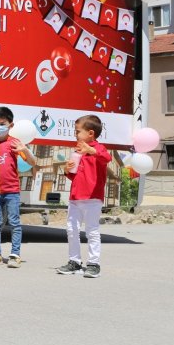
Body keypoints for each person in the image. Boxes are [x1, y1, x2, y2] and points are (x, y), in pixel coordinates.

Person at [57, 115, 111, 278]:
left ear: (90, 133)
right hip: (75, 198)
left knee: (91, 231)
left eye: (78, 131)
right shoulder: (77, 151)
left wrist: (91, 151)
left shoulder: (99, 148)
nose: (75, 134)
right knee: (72, 230)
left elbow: (106, 158)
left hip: (92, 198)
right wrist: (67, 170)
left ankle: (94, 264)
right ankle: (75, 261)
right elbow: (75, 176)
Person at [0, 107, 36, 268]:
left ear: (10, 125)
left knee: (14, 222)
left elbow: (33, 162)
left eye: (2, 124)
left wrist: (24, 149)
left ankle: (15, 255)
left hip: (11, 191)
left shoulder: (15, 143)